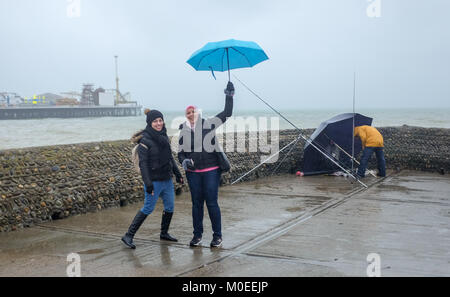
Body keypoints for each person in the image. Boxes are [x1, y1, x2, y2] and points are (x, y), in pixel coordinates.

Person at [178, 81, 234, 248]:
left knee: (211, 202)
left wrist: (229, 95)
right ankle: (197, 236)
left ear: (198, 112)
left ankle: (217, 236)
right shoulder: (184, 131)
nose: (190, 114)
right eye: (188, 112)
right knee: (196, 204)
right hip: (193, 173)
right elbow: (180, 153)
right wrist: (183, 161)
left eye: (193, 111)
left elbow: (227, 113)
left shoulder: (208, 123)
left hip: (211, 170)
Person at [121, 109, 184, 249]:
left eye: (160, 120)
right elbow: (143, 164)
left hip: (167, 179)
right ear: (150, 123)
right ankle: (128, 235)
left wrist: (178, 174)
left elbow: (170, 158)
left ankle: (164, 233)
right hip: (154, 181)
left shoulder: (164, 136)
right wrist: (148, 184)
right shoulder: (145, 140)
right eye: (155, 121)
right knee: (148, 208)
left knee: (170, 207)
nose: (158, 123)